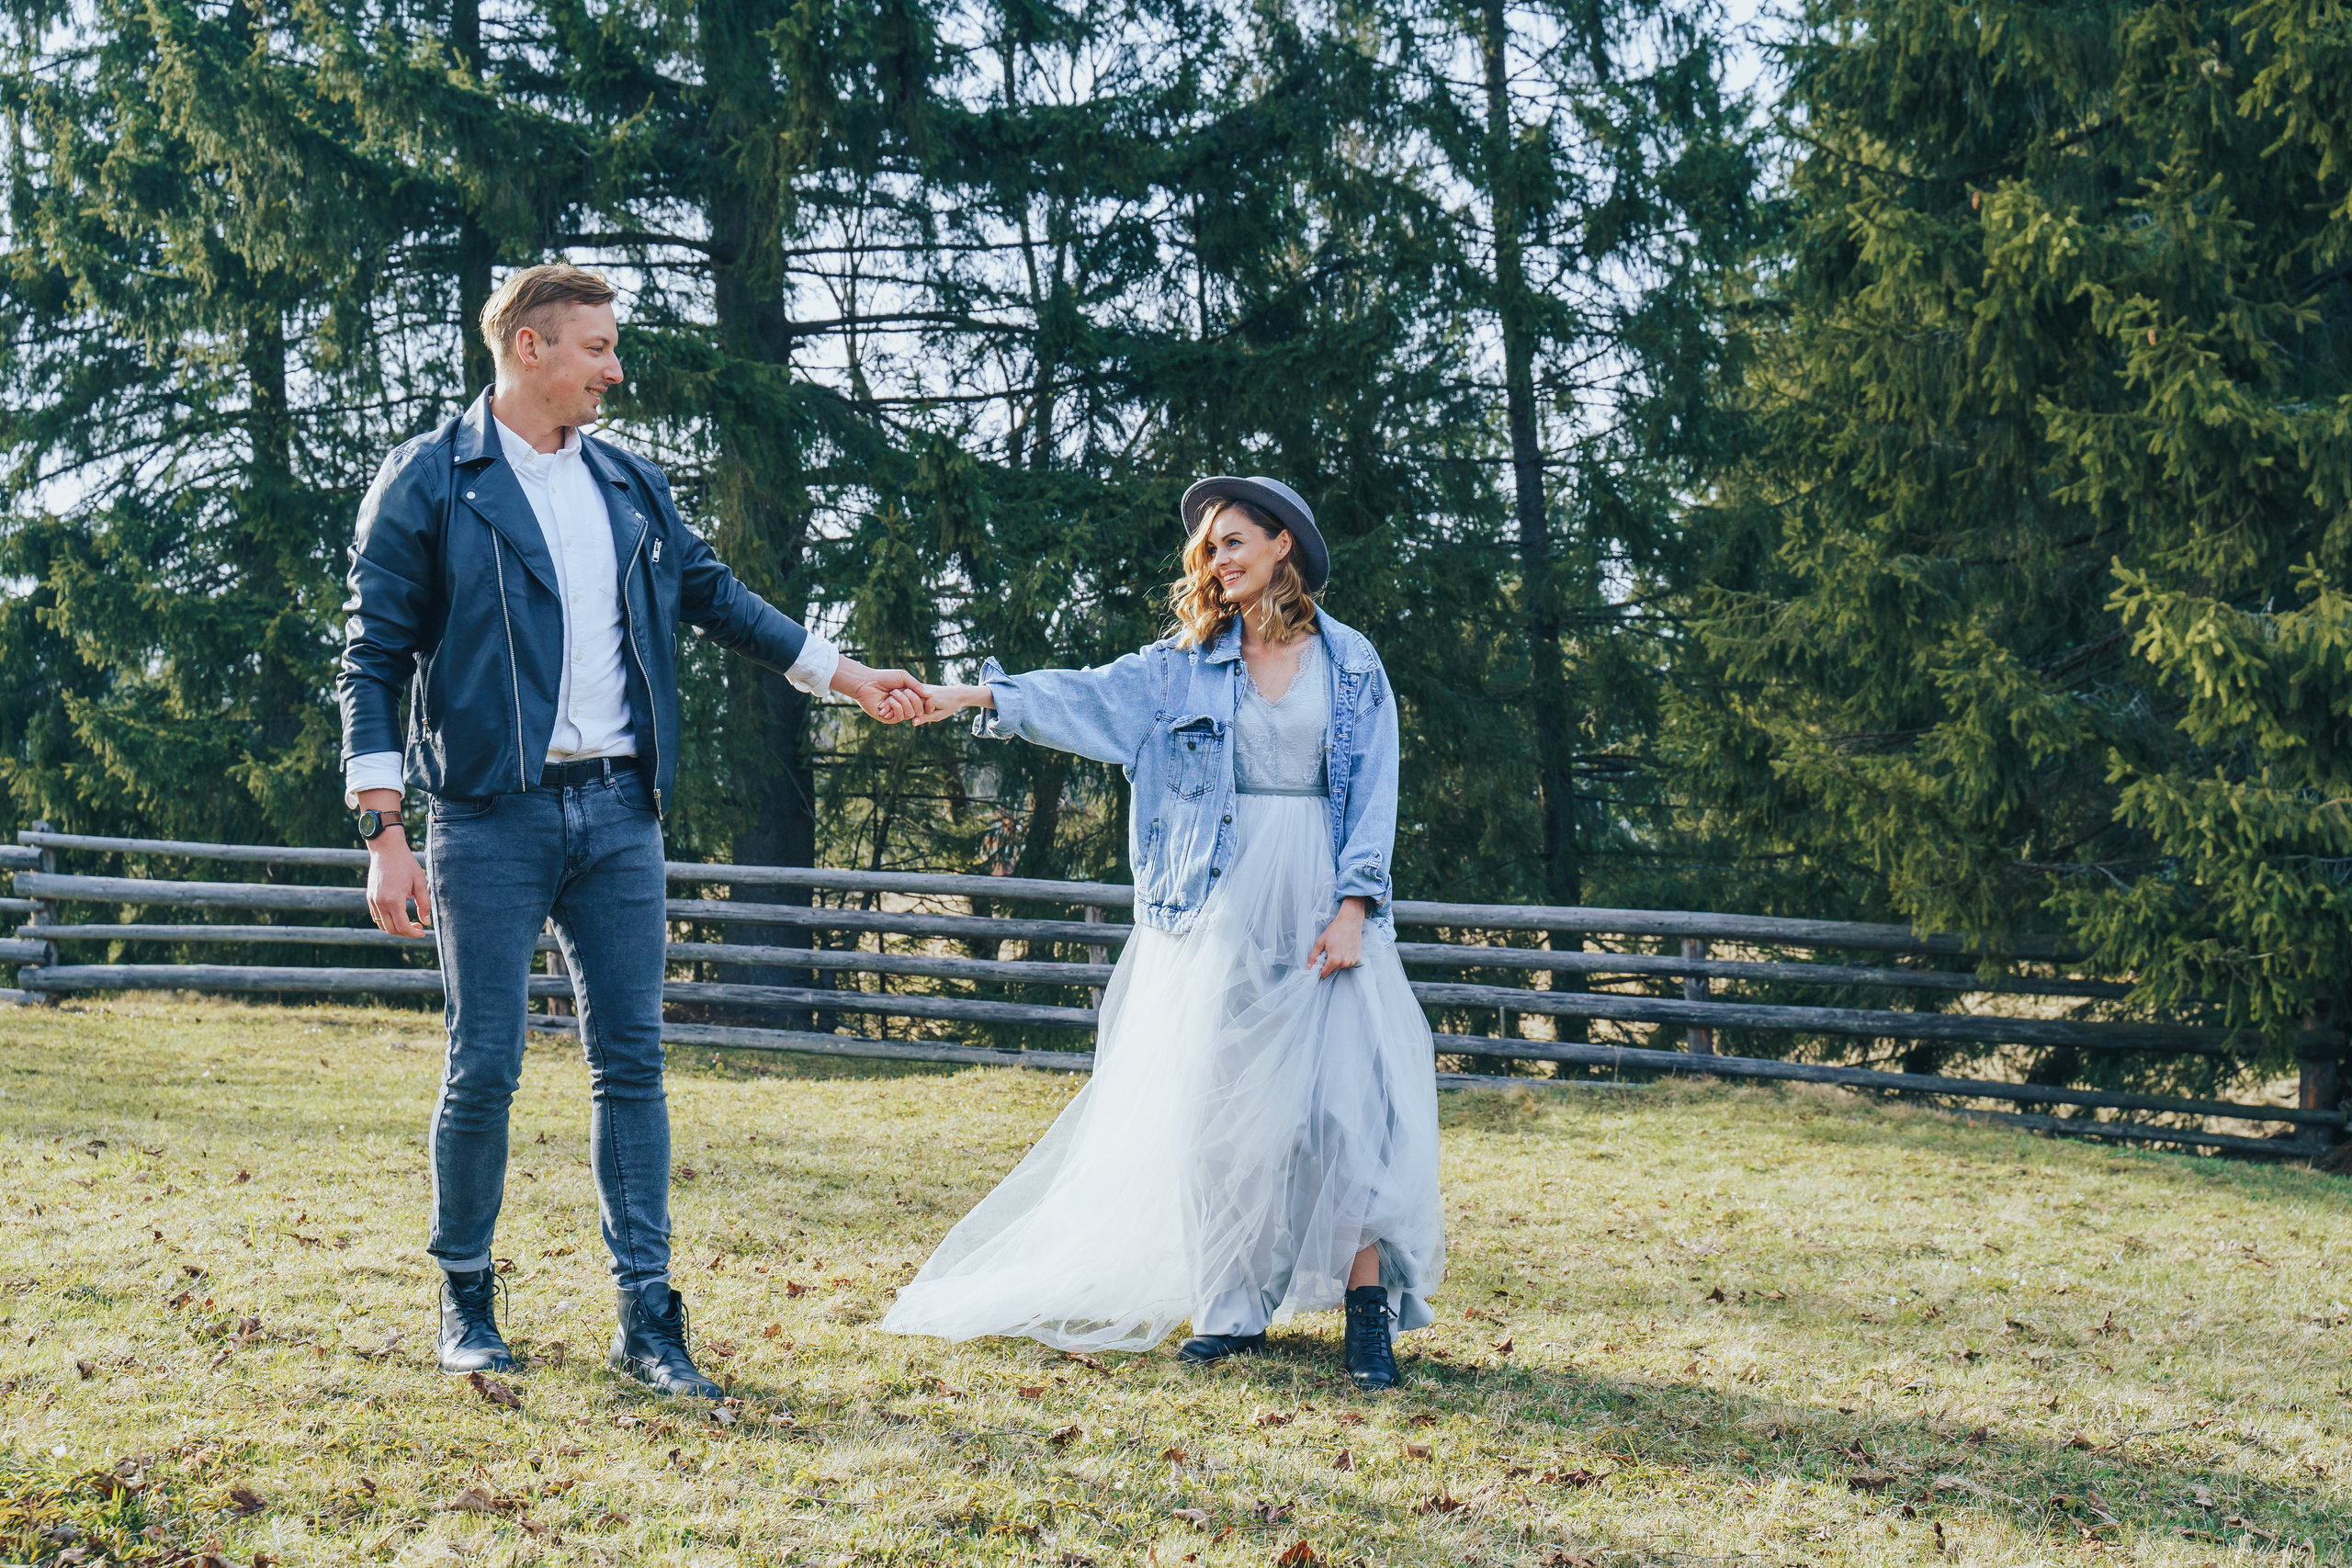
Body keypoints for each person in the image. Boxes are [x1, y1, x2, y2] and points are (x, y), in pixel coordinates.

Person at [336, 264, 925, 1397]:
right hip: (486, 816)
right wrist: (384, 829)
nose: (616, 367)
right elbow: (371, 657)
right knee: (485, 1065)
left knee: (633, 1067)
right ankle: (465, 1297)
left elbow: (716, 595)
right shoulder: (429, 481)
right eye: (597, 347)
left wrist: (844, 676)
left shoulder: (628, 483)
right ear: (528, 348)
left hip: (619, 814)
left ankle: (648, 1319)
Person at [881, 476, 1443, 1389]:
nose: (1215, 560)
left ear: (1281, 547)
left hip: (1324, 904)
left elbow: (1374, 790)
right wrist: (965, 699)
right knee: (1220, 1115)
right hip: (1217, 904)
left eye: (1232, 542)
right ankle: (1230, 1310)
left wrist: (1355, 906)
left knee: (1350, 1109)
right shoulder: (1182, 666)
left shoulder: (1351, 665)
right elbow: (1085, 698)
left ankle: (1365, 1313)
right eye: (1208, 548)